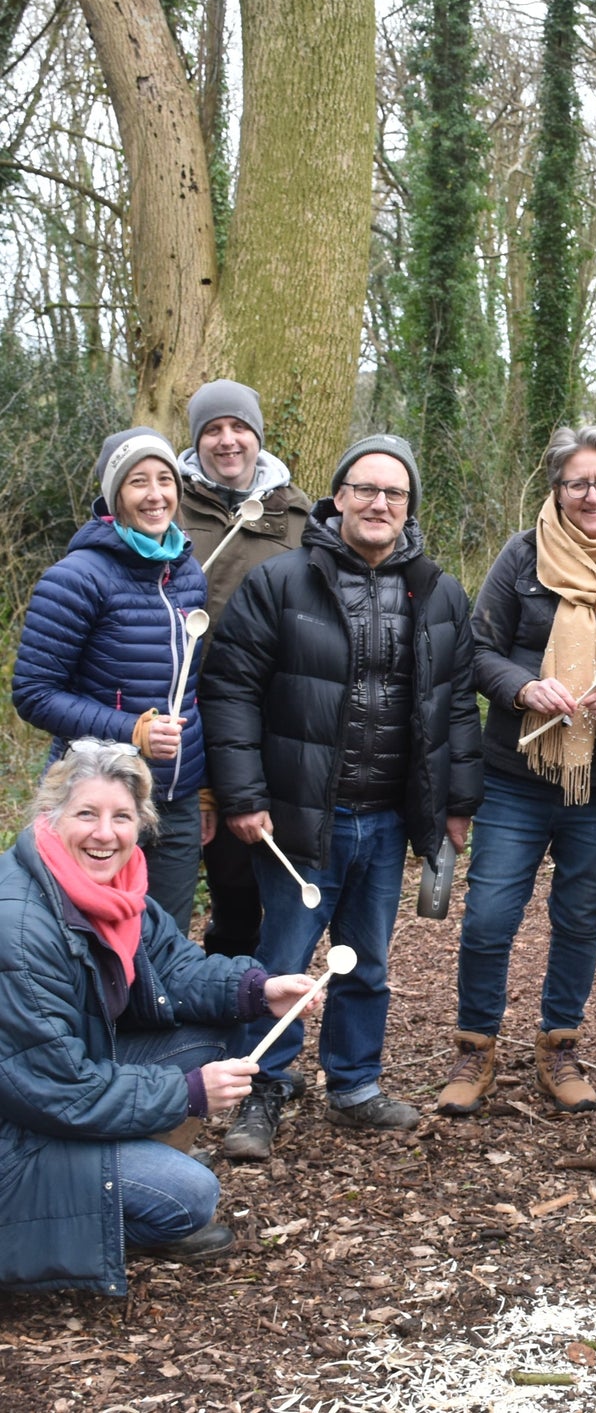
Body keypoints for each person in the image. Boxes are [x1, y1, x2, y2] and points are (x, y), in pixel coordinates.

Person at [200, 434, 483, 1159]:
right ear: (338, 497)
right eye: (365, 488)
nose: (378, 503)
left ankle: (355, 1085)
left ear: (409, 505)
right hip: (297, 818)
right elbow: (228, 688)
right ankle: (264, 1087)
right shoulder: (280, 582)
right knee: (284, 957)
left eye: (394, 492)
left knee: (368, 958)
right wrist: (241, 792)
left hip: (388, 817)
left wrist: (456, 802)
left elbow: (455, 707)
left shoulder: (441, 591)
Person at [0, 741, 316, 1294]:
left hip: (55, 1092)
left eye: (121, 816)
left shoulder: (117, 892)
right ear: (50, 818)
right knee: (190, 1198)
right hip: (19, 1130)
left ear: (140, 823)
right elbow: (58, 1090)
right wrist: (185, 1093)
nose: (105, 833)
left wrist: (259, 990)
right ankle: (89, 1212)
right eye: (86, 814)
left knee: (216, 1031)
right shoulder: (20, 929)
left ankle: (120, 1169)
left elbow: (173, 969)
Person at [437, 426, 596, 1117]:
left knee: (578, 913)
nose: (592, 493)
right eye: (577, 481)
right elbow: (476, 649)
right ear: (557, 489)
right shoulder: (522, 555)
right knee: (488, 916)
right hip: (515, 774)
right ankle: (475, 1045)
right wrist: (522, 687)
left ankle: (559, 1044)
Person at [14, 429, 210, 929]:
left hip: (174, 800)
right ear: (114, 496)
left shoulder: (187, 575)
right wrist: (132, 731)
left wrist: (204, 787)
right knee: (88, 943)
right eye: (137, 481)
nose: (155, 494)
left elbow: (190, 691)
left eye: (165, 480)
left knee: (162, 945)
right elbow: (34, 694)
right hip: (95, 799)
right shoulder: (77, 577)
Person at [179, 379, 312, 959]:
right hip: (189, 715)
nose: (227, 441)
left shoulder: (300, 514)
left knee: (272, 859)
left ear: (257, 436)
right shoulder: (167, 504)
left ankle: (266, 991)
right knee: (219, 875)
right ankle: (210, 987)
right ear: (197, 441)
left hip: (279, 716)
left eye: (239, 428)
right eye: (213, 430)